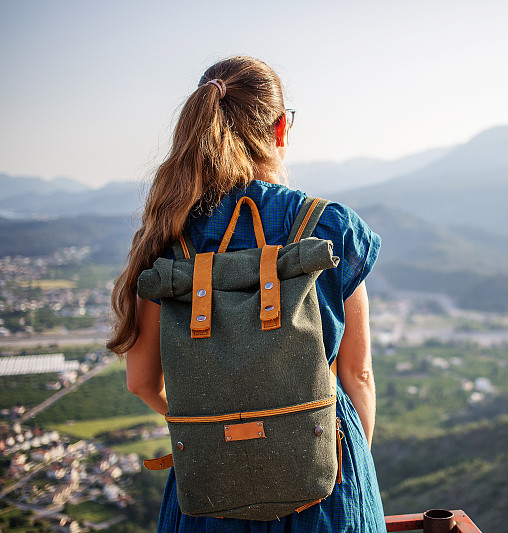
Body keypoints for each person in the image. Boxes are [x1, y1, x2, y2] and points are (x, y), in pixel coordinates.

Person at [107, 56, 387, 533]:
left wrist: (219, 427)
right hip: (321, 475)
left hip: (211, 485)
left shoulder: (166, 235)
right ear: (280, 128)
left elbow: (140, 381)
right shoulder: (330, 227)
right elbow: (356, 374)